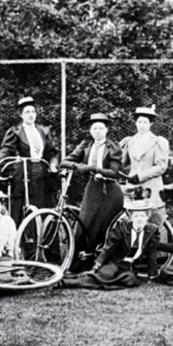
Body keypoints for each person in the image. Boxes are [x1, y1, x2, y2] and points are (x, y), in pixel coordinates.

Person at [60, 112, 123, 271]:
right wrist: (79, 167)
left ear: (107, 130)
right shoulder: (86, 145)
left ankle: (102, 263)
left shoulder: (113, 147)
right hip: (93, 187)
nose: (97, 131)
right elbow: (65, 162)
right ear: (90, 130)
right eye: (94, 128)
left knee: (105, 227)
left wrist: (94, 168)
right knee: (84, 224)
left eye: (101, 128)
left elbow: (114, 172)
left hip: (110, 191)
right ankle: (79, 265)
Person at [0, 96, 59, 226]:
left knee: (45, 206)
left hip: (43, 173)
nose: (31, 115)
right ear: (21, 115)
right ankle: (23, 242)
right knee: (23, 206)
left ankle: (45, 242)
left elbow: (52, 153)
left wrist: (53, 166)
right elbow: (6, 149)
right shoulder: (15, 131)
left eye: (33, 111)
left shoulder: (44, 131)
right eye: (27, 112)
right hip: (24, 173)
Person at [61, 199, 159, 288]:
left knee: (131, 280)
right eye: (136, 216)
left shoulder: (151, 231)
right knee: (106, 274)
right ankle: (66, 283)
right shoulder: (122, 227)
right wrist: (97, 265)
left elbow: (152, 254)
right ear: (131, 217)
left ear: (147, 217)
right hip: (114, 262)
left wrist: (152, 275)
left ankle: (103, 281)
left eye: (142, 216)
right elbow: (109, 247)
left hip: (128, 267)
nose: (139, 219)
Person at [120, 105, 170, 228]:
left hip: (151, 188)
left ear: (151, 124)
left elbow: (161, 166)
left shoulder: (158, 141)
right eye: (139, 122)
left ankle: (157, 247)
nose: (142, 125)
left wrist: (140, 176)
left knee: (154, 222)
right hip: (133, 188)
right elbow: (122, 163)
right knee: (131, 220)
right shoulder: (129, 141)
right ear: (135, 123)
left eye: (145, 122)